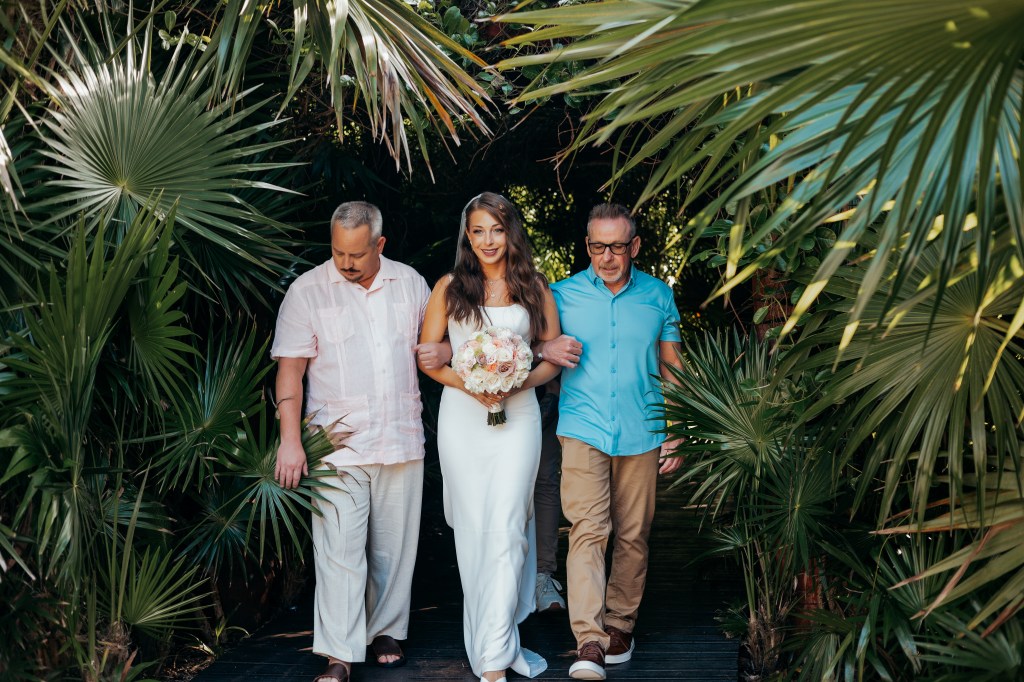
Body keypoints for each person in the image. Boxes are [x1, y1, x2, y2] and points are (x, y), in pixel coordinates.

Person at [271, 201, 449, 682]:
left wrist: (446, 351)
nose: (346, 263)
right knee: (339, 552)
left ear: (380, 244)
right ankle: (340, 654)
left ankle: (385, 631)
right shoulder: (307, 291)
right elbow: (290, 373)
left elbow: (440, 347)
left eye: (356, 254)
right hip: (335, 446)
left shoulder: (410, 283)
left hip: (400, 437)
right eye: (338, 253)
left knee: (394, 550)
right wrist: (290, 441)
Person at [418, 192, 562, 682]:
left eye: (497, 230)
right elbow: (429, 357)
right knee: (474, 533)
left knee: (508, 529)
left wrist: (513, 383)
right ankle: (488, 641)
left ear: (511, 231)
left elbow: (552, 358)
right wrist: (474, 385)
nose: (488, 240)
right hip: (463, 419)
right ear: (467, 235)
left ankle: (495, 658)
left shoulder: (535, 287)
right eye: (478, 231)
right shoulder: (449, 288)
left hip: (517, 419)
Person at [538, 203, 683, 681]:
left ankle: (620, 624)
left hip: (644, 428)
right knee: (587, 529)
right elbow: (531, 347)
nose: (607, 257)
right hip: (583, 427)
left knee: (633, 533)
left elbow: (672, 366)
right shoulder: (560, 295)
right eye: (598, 246)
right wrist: (543, 347)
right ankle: (589, 639)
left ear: (634, 246)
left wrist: (677, 429)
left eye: (617, 247)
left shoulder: (659, 295)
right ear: (587, 246)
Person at [533, 378, 566, 613]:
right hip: (479, 397)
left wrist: (552, 388)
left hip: (543, 392)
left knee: (545, 479)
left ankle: (542, 575)